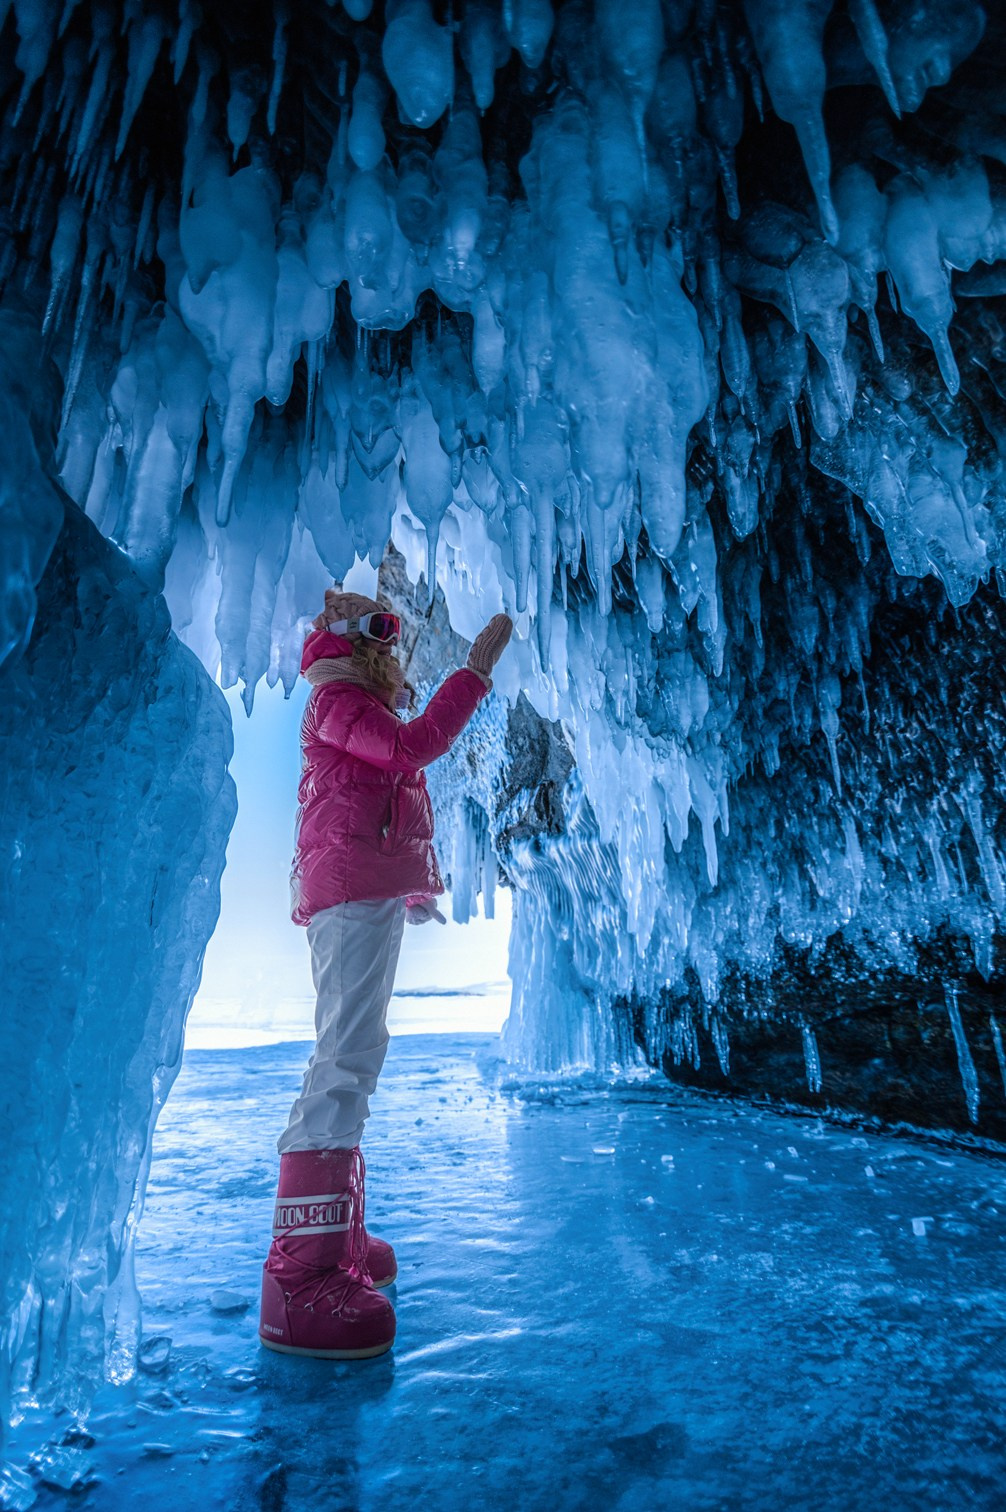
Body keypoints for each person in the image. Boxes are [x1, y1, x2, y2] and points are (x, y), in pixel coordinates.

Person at [258, 589, 513, 1359]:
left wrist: (408, 884)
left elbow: (379, 803)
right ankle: (300, 1279)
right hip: (347, 892)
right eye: (377, 633)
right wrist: (472, 672)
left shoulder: (350, 705)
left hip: (359, 889)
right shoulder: (337, 701)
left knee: (356, 1048)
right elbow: (412, 749)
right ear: (343, 643)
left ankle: (337, 1234)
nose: (388, 648)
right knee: (346, 1053)